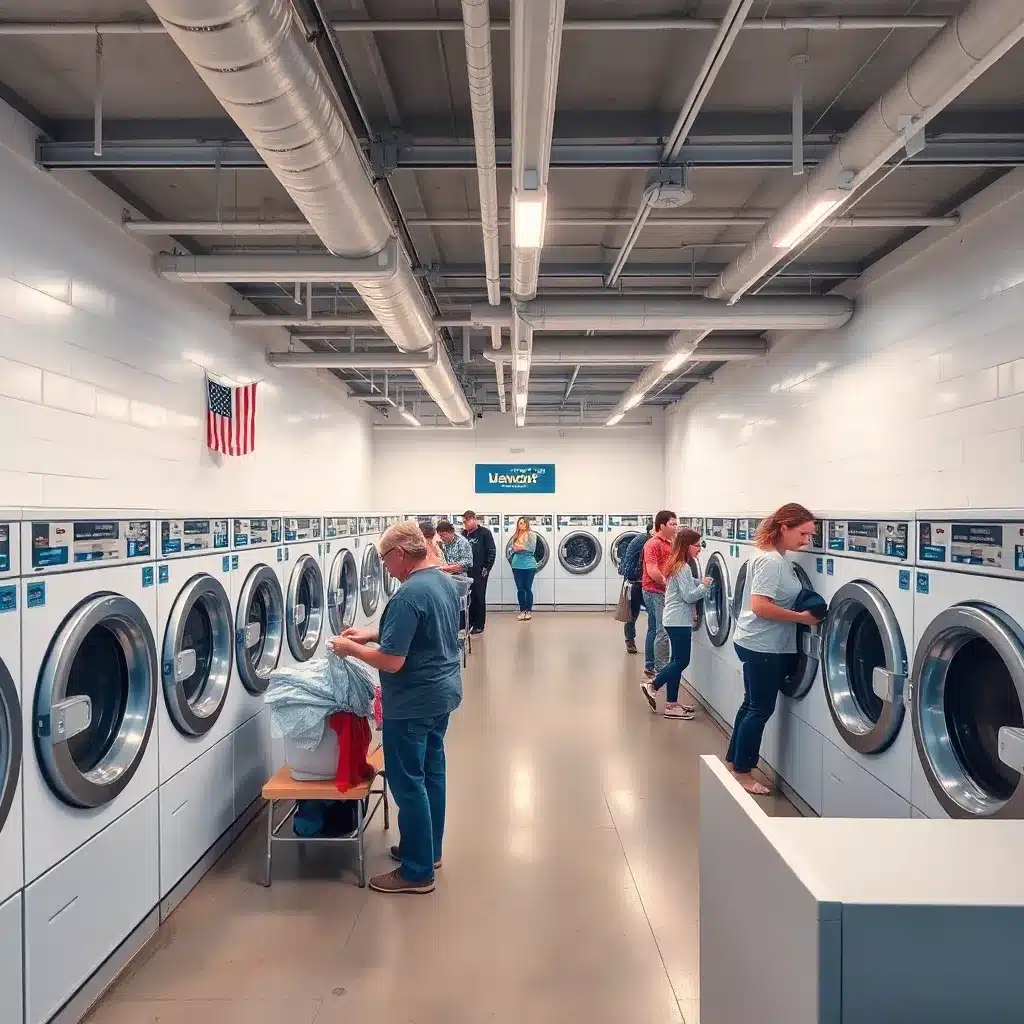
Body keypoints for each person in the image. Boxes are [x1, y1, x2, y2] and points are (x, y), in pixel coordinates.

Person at [329, 521, 462, 894]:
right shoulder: (441, 582)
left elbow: (392, 661)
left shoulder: (407, 595)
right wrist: (371, 633)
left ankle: (417, 872)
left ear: (401, 553)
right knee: (432, 771)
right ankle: (427, 849)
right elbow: (425, 632)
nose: (384, 567)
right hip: (442, 694)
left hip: (413, 700)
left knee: (407, 783)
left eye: (385, 559)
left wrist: (350, 649)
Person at [727, 503, 821, 795]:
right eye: (803, 533)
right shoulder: (771, 561)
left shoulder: (773, 558)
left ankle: (733, 763)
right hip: (762, 645)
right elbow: (760, 605)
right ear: (784, 527)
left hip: (754, 641)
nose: (806, 540)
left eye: (810, 535)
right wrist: (802, 618)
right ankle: (743, 773)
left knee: (750, 704)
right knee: (760, 709)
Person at [640, 527, 712, 719]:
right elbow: (688, 596)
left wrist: (699, 582)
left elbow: (686, 584)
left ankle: (672, 705)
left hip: (674, 618)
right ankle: (652, 685)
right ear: (687, 546)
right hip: (679, 620)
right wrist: (704, 586)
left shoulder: (677, 564)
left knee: (675, 661)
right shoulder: (682, 567)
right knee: (682, 660)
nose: (699, 549)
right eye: (697, 546)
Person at [641, 510, 678, 682]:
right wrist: (668, 584)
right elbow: (652, 570)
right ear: (661, 525)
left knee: (654, 627)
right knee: (662, 631)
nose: (675, 527)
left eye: (676, 524)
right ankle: (661, 670)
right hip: (654, 591)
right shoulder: (652, 544)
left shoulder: (671, 542)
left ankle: (650, 664)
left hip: (660, 590)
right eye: (672, 524)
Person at [618, 521, 651, 654]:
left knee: (632, 614)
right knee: (647, 612)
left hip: (634, 581)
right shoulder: (647, 542)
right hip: (637, 582)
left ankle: (630, 641)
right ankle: (633, 641)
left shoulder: (641, 539)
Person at [461, 510, 496, 635]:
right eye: (464, 521)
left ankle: (479, 624)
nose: (466, 524)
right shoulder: (464, 534)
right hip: (466, 571)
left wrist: (487, 568)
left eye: (468, 521)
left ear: (474, 519)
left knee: (479, 597)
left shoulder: (484, 533)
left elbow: (491, 551)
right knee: (468, 597)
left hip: (480, 571)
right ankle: (469, 622)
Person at [508, 516, 539, 621]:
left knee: (527, 588)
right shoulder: (515, 536)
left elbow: (532, 549)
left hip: (529, 565)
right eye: (519, 523)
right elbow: (510, 549)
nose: (521, 525)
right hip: (516, 565)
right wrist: (513, 549)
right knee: (520, 589)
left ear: (527, 524)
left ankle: (528, 611)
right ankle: (522, 611)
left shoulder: (532, 535)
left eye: (523, 523)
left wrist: (519, 548)